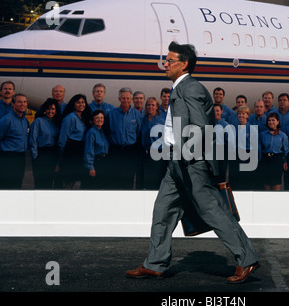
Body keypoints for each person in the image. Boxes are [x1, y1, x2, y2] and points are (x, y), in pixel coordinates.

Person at [125, 42, 259, 284]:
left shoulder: (191, 88)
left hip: (190, 162)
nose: (164, 64)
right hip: (176, 163)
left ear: (184, 64)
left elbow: (200, 127)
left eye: (169, 60)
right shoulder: (180, 88)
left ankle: (247, 258)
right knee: (162, 210)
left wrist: (189, 157)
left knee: (212, 211)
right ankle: (155, 264)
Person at [0, 93, 29, 189]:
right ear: (13, 104)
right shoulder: (6, 120)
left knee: (17, 185)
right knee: (6, 187)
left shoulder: (25, 120)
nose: (22, 104)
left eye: (24, 102)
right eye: (19, 102)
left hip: (20, 158)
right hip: (7, 158)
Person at [105, 87, 142, 189]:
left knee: (128, 178)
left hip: (130, 150)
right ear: (119, 99)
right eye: (123, 98)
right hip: (115, 150)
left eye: (127, 98)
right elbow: (107, 130)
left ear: (131, 99)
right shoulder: (111, 114)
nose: (125, 100)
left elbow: (138, 132)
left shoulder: (137, 114)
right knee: (114, 177)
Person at [58, 94, 92, 189]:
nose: (81, 104)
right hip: (71, 151)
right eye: (78, 102)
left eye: (83, 102)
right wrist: (62, 156)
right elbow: (62, 139)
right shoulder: (70, 118)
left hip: (80, 150)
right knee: (69, 180)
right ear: (73, 104)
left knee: (74, 179)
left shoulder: (82, 118)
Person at [29, 98, 61, 189]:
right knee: (41, 183)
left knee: (50, 182)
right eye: (48, 108)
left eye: (53, 109)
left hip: (53, 155)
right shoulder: (38, 121)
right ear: (44, 110)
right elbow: (33, 140)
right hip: (41, 154)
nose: (50, 111)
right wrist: (35, 157)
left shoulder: (57, 123)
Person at [140, 97, 166, 190]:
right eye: (148, 105)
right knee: (146, 179)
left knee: (156, 179)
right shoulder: (143, 120)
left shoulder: (161, 121)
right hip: (145, 154)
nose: (150, 107)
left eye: (153, 105)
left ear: (157, 107)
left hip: (157, 154)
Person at [259, 112, 289, 191]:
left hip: (277, 160)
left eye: (273, 120)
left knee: (276, 184)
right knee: (266, 184)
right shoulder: (262, 135)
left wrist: (285, 161)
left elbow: (286, 150)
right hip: (266, 159)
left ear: (278, 122)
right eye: (269, 120)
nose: (271, 122)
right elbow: (260, 148)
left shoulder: (282, 135)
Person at [82, 109, 110, 189]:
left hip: (103, 162)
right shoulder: (91, 132)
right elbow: (88, 150)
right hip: (95, 162)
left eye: (101, 118)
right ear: (92, 120)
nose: (100, 120)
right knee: (93, 187)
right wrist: (90, 167)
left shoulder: (102, 132)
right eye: (97, 118)